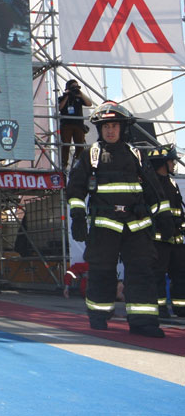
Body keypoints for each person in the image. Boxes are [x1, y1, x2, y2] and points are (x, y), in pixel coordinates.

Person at [66, 100, 175, 338]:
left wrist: (164, 215)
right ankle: (99, 318)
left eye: (114, 125)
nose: (110, 130)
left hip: (137, 226)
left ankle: (144, 323)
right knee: (101, 272)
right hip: (105, 226)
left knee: (141, 273)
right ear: (100, 129)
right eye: (106, 126)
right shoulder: (90, 156)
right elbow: (75, 190)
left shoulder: (136, 155)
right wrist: (77, 216)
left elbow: (154, 190)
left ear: (123, 127)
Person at [147, 144, 185, 318]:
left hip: (176, 240)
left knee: (180, 275)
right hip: (159, 240)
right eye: (172, 161)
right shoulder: (151, 184)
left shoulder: (172, 182)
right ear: (164, 162)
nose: (174, 165)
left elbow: (178, 210)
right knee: (158, 275)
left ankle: (180, 308)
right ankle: (160, 309)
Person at [58, 79, 92, 170]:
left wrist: (80, 93)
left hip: (78, 125)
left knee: (80, 145)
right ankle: (64, 164)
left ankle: (79, 162)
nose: (75, 89)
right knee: (66, 144)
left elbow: (89, 103)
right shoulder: (63, 97)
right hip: (66, 125)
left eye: (76, 86)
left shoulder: (79, 97)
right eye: (73, 87)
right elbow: (60, 107)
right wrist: (67, 95)